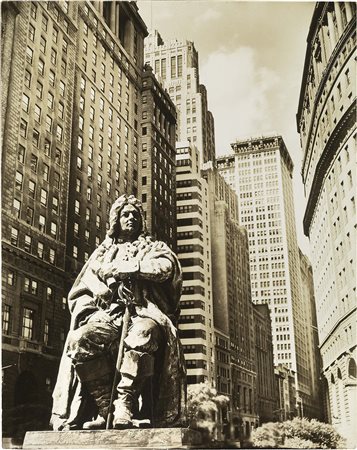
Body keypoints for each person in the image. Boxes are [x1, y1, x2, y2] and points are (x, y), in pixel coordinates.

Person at [50, 195, 186, 431]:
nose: (131, 217)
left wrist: (129, 269)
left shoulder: (154, 247)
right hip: (108, 315)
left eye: (135, 214)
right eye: (126, 214)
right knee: (78, 340)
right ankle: (106, 408)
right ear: (116, 219)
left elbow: (166, 269)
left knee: (143, 334)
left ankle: (125, 404)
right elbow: (81, 289)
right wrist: (103, 289)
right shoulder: (101, 252)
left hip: (144, 313)